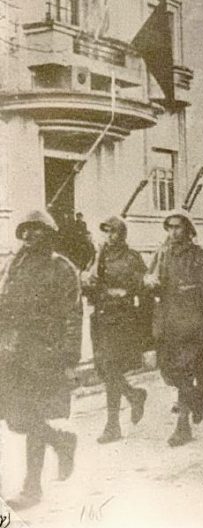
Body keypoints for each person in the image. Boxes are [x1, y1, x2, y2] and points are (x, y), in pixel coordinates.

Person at [0, 210, 82, 510]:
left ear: (49, 233)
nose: (30, 236)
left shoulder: (61, 268)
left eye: (37, 231)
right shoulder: (13, 264)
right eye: (26, 230)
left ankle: (31, 489)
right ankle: (60, 441)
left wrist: (70, 359)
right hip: (11, 351)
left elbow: (73, 315)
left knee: (32, 417)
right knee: (16, 417)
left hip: (44, 353)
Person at [144, 209, 203, 447]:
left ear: (188, 229)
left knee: (184, 370)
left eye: (178, 227)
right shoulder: (162, 253)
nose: (173, 232)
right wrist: (149, 282)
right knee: (170, 371)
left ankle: (183, 426)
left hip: (191, 323)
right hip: (168, 322)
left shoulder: (198, 256)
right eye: (170, 227)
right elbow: (149, 276)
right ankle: (198, 396)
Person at [84, 216, 148, 444]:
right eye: (106, 233)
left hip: (121, 319)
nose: (109, 237)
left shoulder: (132, 258)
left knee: (110, 366)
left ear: (122, 234)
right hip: (101, 318)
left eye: (113, 233)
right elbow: (90, 285)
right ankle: (134, 395)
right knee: (103, 368)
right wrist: (92, 281)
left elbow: (143, 285)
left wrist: (124, 291)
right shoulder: (99, 257)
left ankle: (113, 425)